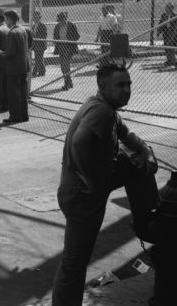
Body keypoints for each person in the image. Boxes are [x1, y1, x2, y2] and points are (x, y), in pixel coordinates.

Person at [52, 63, 157, 306]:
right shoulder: (101, 112)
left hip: (84, 193)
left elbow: (127, 135)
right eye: (120, 85)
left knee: (74, 260)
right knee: (74, 263)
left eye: (129, 84)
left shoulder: (108, 110)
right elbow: (79, 143)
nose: (127, 89)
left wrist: (144, 151)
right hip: (81, 196)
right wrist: (88, 178)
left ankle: (148, 219)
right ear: (102, 86)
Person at [1, 10, 31, 123]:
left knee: (13, 94)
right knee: (22, 93)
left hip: (13, 68)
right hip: (23, 66)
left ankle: (15, 116)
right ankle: (24, 115)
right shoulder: (23, 29)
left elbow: (10, 52)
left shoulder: (12, 33)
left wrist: (0, 53)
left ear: (9, 19)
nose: (5, 22)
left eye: (6, 19)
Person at [53, 12, 80, 91]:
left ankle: (67, 83)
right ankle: (69, 82)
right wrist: (55, 40)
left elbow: (77, 36)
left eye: (63, 19)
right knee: (62, 66)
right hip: (61, 46)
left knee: (66, 65)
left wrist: (69, 39)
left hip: (69, 46)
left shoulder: (71, 25)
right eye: (60, 20)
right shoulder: (57, 26)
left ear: (65, 18)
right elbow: (55, 35)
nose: (61, 21)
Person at [31, 11, 48, 77]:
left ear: (39, 18)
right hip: (35, 45)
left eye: (37, 17)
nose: (35, 19)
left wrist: (35, 37)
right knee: (39, 58)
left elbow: (44, 36)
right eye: (34, 17)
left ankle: (34, 73)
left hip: (40, 44)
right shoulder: (33, 26)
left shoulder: (42, 25)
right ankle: (42, 71)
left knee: (38, 59)